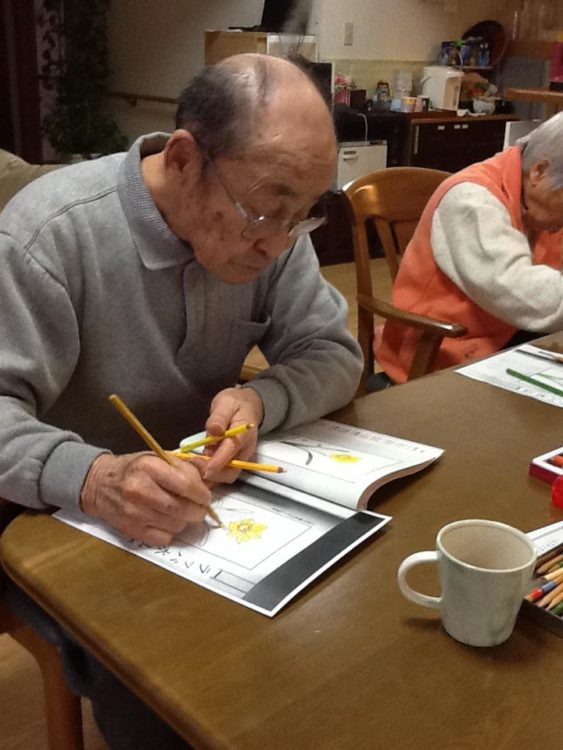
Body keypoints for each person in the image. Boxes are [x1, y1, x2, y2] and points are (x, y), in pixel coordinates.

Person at [0, 53, 362, 748]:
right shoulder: (50, 234)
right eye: (265, 210)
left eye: (304, 215)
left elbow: (333, 354)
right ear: (185, 159)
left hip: (210, 499)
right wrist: (96, 478)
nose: (278, 242)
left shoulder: (275, 231)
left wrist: (260, 400)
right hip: (68, 519)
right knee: (176, 703)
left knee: (332, 637)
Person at [377, 112, 563, 385]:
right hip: (440, 352)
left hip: (509, 338)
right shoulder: (472, 201)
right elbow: (520, 291)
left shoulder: (539, 205)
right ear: (540, 172)